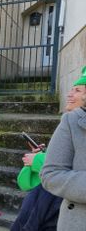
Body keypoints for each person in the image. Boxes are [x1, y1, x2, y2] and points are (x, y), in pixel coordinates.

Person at [40, 66, 86, 231]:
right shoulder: (71, 121)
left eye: (77, 90)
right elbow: (51, 173)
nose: (70, 94)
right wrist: (39, 158)